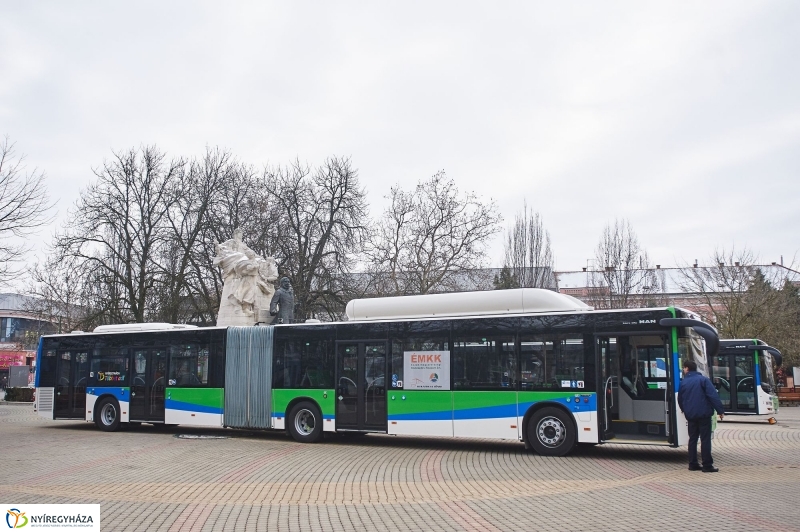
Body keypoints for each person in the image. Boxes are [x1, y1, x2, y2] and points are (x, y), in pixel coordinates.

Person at [678, 359, 725, 472]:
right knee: (705, 439)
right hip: (704, 414)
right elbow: (712, 396)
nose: (683, 370)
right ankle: (707, 465)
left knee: (693, 439)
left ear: (687, 369)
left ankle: (693, 464)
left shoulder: (683, 383)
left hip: (691, 415)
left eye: (684, 368)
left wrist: (685, 410)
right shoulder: (703, 380)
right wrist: (720, 411)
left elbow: (680, 399)